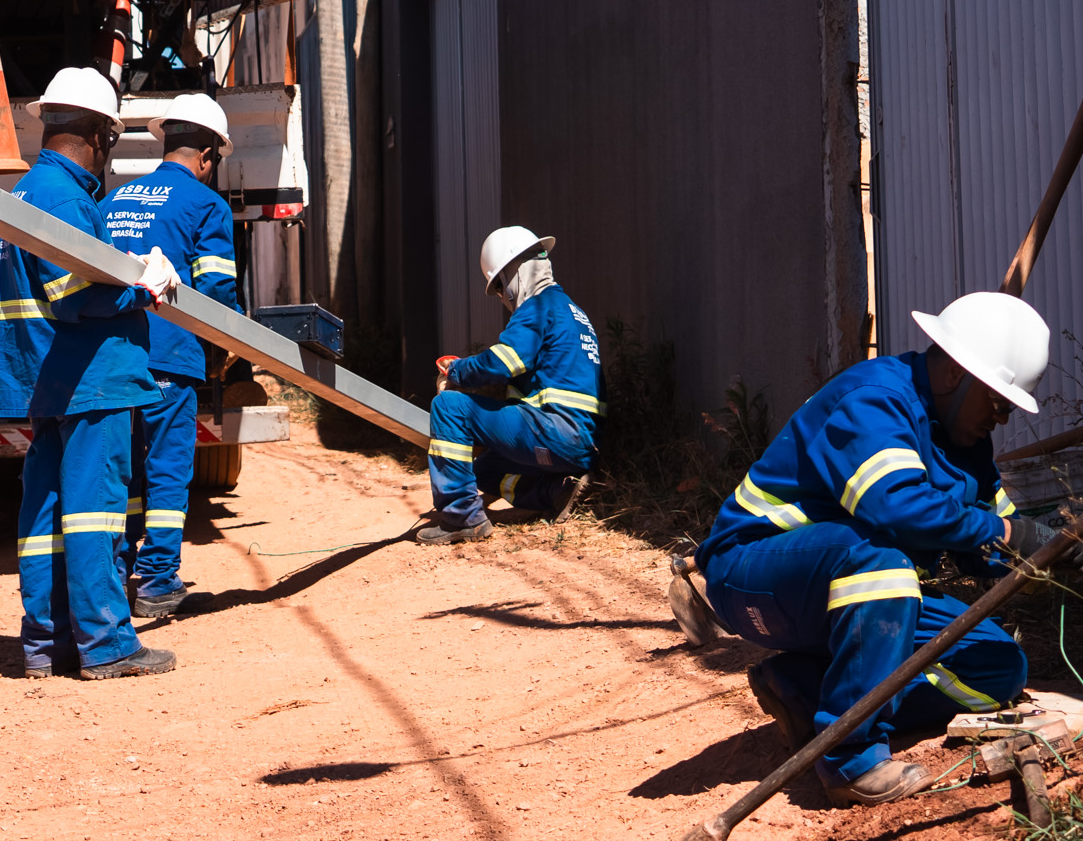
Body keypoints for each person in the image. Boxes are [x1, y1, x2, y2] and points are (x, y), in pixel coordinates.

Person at [689, 291, 1054, 806]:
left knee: (997, 665)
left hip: (852, 590)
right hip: (753, 572)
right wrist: (1005, 535)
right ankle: (849, 758)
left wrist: (1050, 547)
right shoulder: (873, 398)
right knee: (879, 561)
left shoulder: (968, 444)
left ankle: (805, 690)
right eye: (998, 402)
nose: (1002, 420)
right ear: (953, 372)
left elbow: (996, 538)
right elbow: (895, 507)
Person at [0, 66, 181, 679]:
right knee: (95, 512)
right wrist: (145, 289)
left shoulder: (27, 190)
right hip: (90, 376)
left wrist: (123, 266)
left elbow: (64, 284)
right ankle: (106, 643)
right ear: (102, 135)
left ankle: (47, 643)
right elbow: (77, 298)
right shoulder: (68, 199)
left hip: (50, 379)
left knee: (48, 517)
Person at [102, 92, 242, 617]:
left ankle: (117, 573)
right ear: (207, 154)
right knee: (166, 468)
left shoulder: (113, 200)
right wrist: (220, 350)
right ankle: (158, 580)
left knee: (123, 471)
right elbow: (217, 292)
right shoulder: (206, 204)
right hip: (169, 355)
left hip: (112, 356)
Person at [420, 225, 603, 545]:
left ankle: (461, 517)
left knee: (449, 408)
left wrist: (458, 372)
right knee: (486, 471)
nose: (503, 297)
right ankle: (556, 492)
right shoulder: (575, 313)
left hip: (554, 431)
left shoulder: (538, 307)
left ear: (512, 274)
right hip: (580, 446)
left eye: (501, 287)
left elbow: (506, 360)